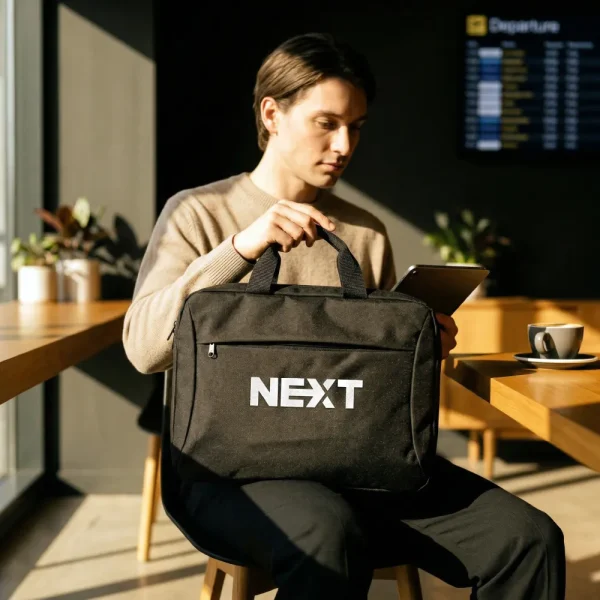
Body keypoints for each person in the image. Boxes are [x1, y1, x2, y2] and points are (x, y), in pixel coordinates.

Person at [123, 32, 565, 600]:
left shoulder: (363, 233)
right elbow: (144, 350)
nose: (344, 144)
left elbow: (378, 390)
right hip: (229, 472)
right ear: (272, 114)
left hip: (362, 464)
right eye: (326, 123)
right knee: (326, 530)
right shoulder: (197, 213)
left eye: (356, 127)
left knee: (528, 538)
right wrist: (240, 249)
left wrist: (417, 348)